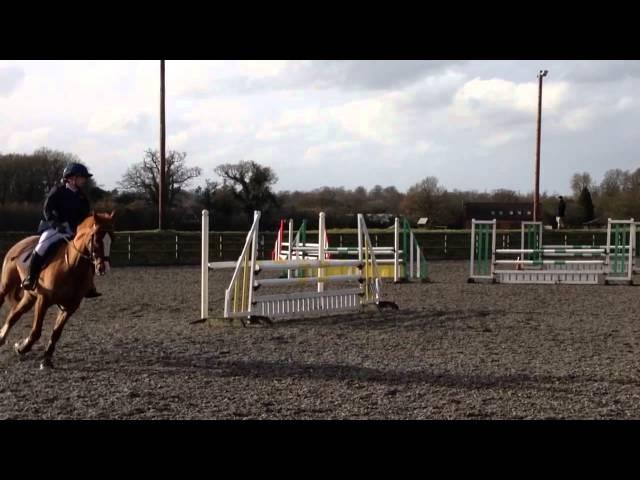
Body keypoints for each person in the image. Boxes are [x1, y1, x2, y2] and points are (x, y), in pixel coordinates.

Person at [21, 163, 102, 297]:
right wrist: (55, 222)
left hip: (74, 231)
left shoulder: (82, 197)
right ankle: (31, 277)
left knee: (89, 250)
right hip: (55, 228)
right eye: (82, 177)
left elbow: (84, 217)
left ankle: (89, 285)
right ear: (71, 178)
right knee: (42, 245)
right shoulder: (58, 191)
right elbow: (47, 209)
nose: (84, 180)